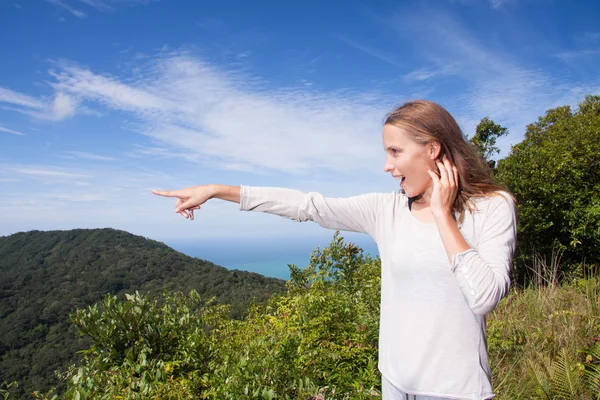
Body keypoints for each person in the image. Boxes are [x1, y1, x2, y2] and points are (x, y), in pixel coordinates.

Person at [152, 100, 517, 400]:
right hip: (394, 382)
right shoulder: (386, 210)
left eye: (395, 151)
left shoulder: (493, 207)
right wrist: (217, 189)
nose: (387, 166)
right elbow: (308, 205)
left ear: (432, 149)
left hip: (455, 390)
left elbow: (484, 296)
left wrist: (442, 214)